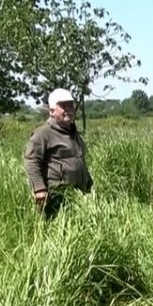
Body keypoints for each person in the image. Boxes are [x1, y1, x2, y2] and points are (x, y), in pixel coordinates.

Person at [24, 87, 93, 217]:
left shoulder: (73, 132)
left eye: (71, 105)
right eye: (63, 106)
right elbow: (31, 161)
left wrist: (88, 183)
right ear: (51, 111)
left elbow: (79, 159)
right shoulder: (43, 133)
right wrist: (39, 189)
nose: (68, 109)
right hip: (57, 197)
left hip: (78, 195)